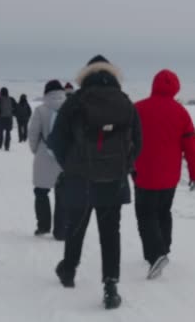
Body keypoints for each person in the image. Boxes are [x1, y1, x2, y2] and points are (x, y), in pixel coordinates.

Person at [48, 55, 141, 309]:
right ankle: (111, 285)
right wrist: (125, 165)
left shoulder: (75, 101)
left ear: (85, 75)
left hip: (80, 178)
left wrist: (70, 165)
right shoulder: (125, 102)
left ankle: (68, 270)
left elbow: (56, 140)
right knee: (110, 233)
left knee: (76, 226)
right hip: (114, 179)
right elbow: (139, 142)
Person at [133, 69, 195, 279]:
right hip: (170, 176)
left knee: (146, 214)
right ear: (176, 88)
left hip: (143, 173)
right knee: (163, 211)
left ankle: (156, 255)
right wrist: (194, 174)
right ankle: (163, 248)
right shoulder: (181, 112)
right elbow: (191, 147)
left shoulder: (138, 109)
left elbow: (126, 141)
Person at [28, 81, 67, 240]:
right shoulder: (70, 108)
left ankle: (43, 226)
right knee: (63, 194)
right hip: (65, 157)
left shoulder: (40, 110)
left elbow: (33, 134)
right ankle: (61, 230)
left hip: (44, 155)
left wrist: (37, 151)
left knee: (41, 192)